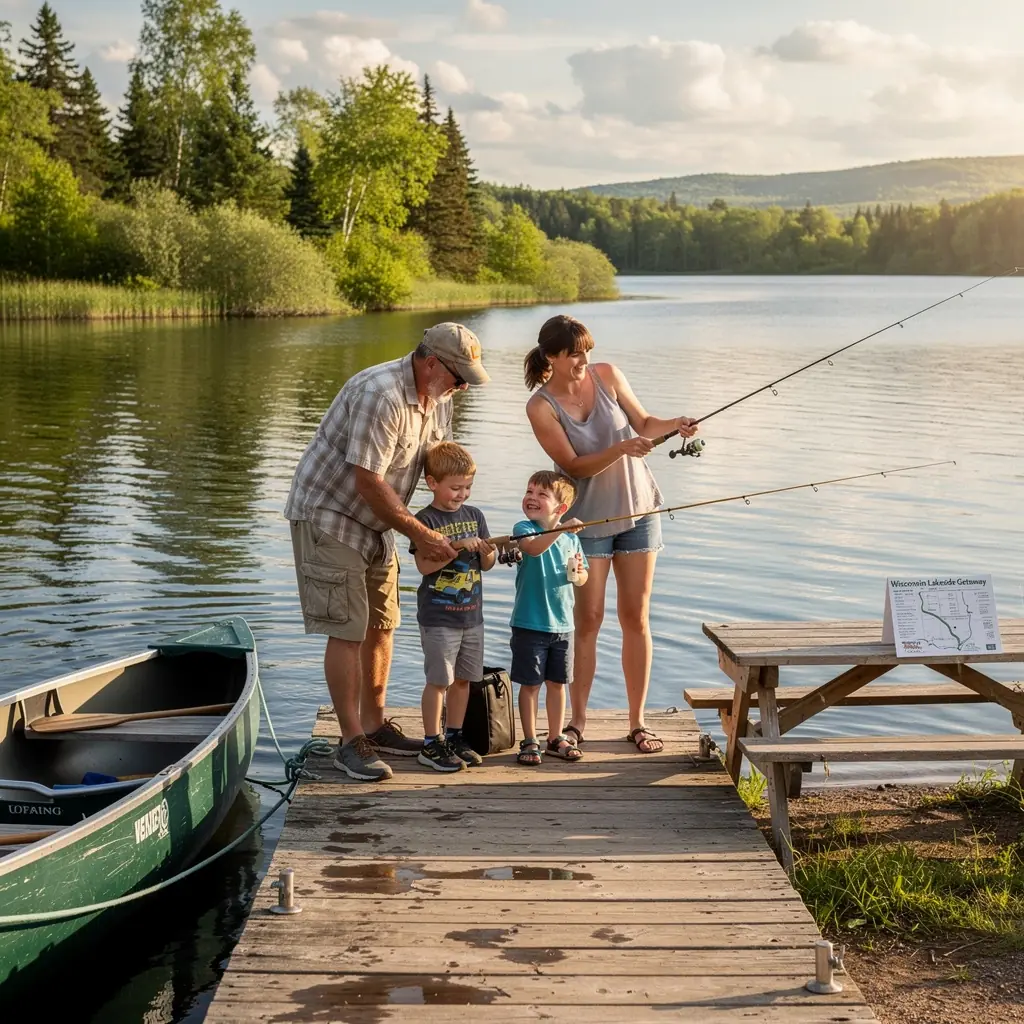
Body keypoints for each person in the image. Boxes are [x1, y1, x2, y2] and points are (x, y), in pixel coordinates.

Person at [284, 323, 490, 782]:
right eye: (459, 377)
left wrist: (453, 523)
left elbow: (437, 468)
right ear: (431, 363)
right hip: (331, 514)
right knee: (348, 628)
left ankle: (374, 725)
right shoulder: (381, 394)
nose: (462, 387)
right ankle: (350, 741)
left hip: (380, 521)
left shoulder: (439, 396)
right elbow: (368, 482)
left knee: (383, 623)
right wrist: (424, 534)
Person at [523, 315, 697, 754]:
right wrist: (619, 449)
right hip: (586, 522)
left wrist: (675, 424)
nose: (584, 360)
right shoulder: (541, 407)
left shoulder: (608, 375)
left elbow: (645, 423)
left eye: (587, 351)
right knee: (589, 620)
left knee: (636, 617)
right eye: (574, 354)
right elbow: (574, 466)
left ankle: (637, 722)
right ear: (551, 357)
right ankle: (577, 722)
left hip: (639, 511)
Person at [409, 442, 496, 772]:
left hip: (472, 617)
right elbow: (424, 567)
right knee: (439, 681)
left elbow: (487, 565)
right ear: (433, 483)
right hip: (439, 618)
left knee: (464, 680)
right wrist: (457, 547)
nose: (463, 494)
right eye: (456, 487)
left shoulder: (475, 516)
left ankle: (455, 736)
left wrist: (487, 551)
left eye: (468, 487)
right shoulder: (424, 520)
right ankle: (431, 743)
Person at [509, 471, 588, 766]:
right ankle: (530, 739)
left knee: (557, 683)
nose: (532, 498)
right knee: (530, 685)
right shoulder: (524, 528)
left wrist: (579, 573)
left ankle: (555, 737)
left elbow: (582, 577)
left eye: (542, 494)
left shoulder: (572, 540)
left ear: (560, 508)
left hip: (563, 625)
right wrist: (560, 530)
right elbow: (532, 548)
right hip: (529, 623)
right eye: (529, 491)